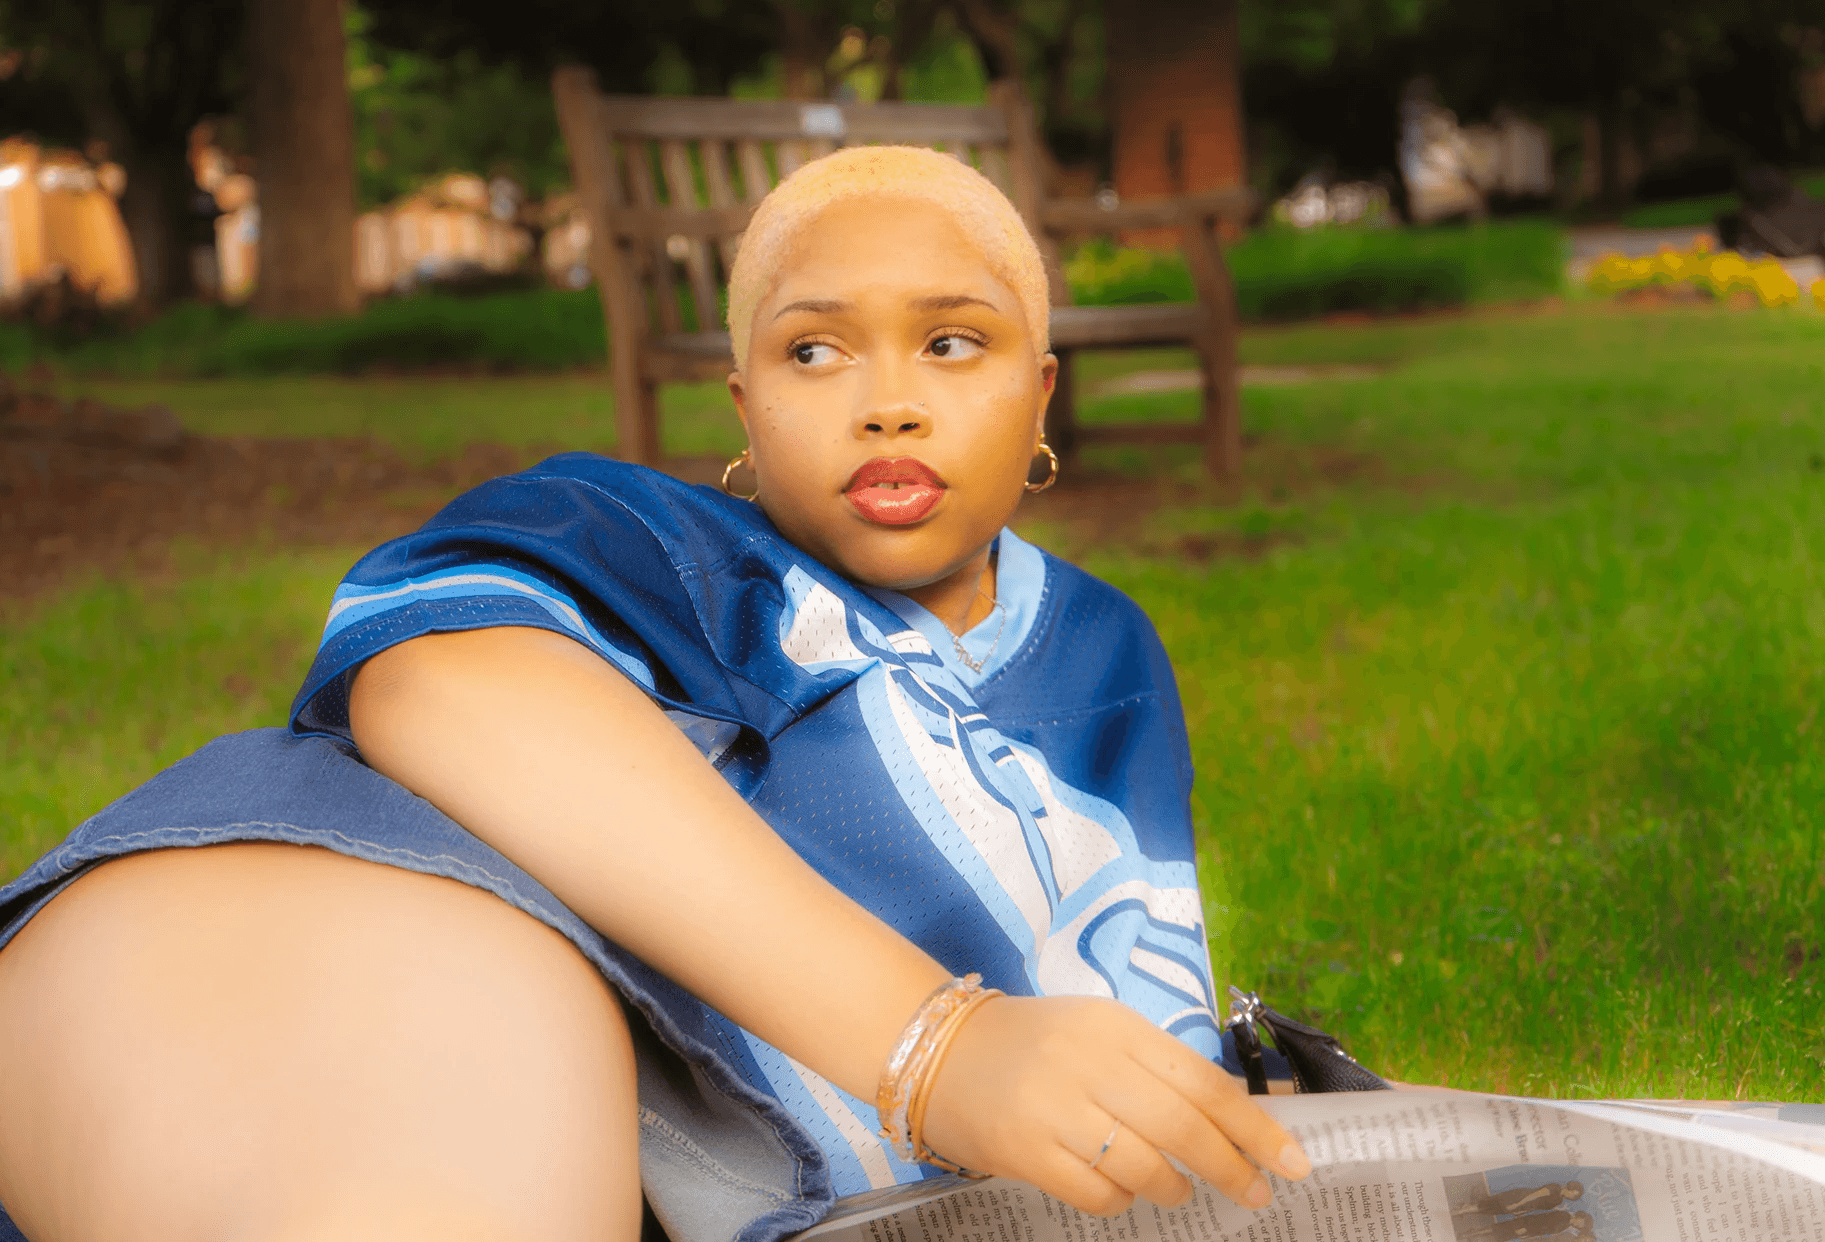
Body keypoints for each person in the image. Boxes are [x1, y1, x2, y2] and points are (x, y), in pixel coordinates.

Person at [0, 146, 1311, 1242]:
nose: (889, 404)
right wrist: (937, 1047)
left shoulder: (1107, 652)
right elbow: (438, 679)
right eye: (815, 353)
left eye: (953, 343)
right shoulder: (669, 544)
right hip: (350, 923)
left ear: (1041, 394)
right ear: (745, 406)